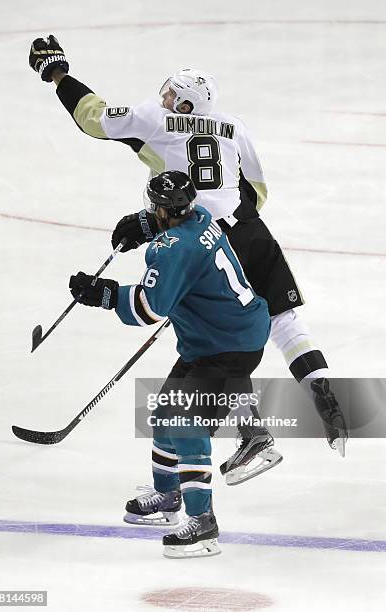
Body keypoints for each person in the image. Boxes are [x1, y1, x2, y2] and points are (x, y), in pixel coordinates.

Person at [29, 36, 348, 483]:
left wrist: (58, 73)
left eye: (170, 96)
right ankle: (321, 389)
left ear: (181, 104)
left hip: (203, 240)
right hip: (251, 231)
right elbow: (256, 190)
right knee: (281, 317)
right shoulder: (234, 125)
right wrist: (231, 221)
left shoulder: (157, 119)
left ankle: (253, 436)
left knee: (214, 341)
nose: (163, 98)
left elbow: (92, 119)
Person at [68, 170, 271, 558]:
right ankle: (167, 495)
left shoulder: (173, 250)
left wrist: (103, 293)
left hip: (226, 346)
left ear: (161, 208)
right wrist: (143, 225)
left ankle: (203, 525)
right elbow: (179, 229)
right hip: (222, 336)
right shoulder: (202, 220)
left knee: (184, 422)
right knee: (164, 414)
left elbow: (149, 308)